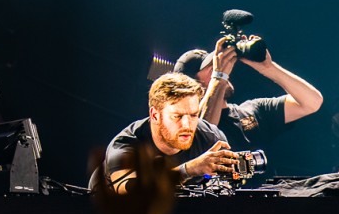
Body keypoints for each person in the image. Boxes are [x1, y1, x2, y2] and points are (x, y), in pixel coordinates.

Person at [96, 37, 246, 192]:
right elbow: (130, 192)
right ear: (155, 115)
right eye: (177, 116)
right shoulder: (127, 145)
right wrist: (189, 169)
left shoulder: (210, 138)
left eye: (193, 115)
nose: (187, 125)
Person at [173, 34, 324, 157]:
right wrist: (218, 78)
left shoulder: (254, 109)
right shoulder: (187, 126)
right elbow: (203, 136)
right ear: (193, 85)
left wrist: (268, 68)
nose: (223, 68)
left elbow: (312, 102)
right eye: (212, 69)